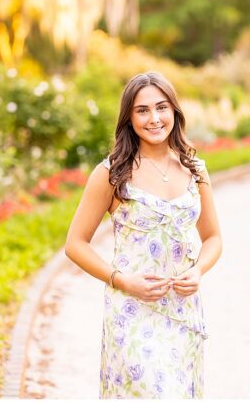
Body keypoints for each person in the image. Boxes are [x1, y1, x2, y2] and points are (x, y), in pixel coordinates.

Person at [64, 72, 223, 398]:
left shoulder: (195, 169)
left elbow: (213, 238)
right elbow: (75, 244)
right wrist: (122, 281)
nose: (154, 119)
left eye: (161, 108)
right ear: (129, 118)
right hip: (131, 314)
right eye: (142, 110)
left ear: (174, 112)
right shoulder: (111, 173)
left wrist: (197, 271)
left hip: (182, 312)